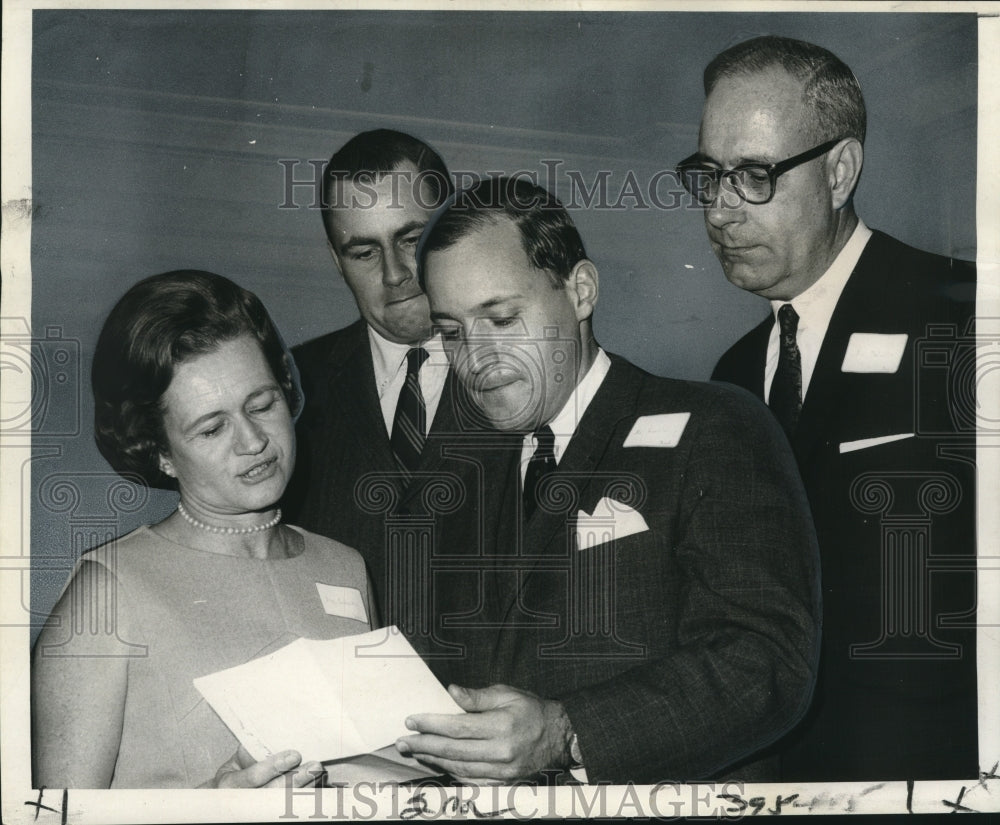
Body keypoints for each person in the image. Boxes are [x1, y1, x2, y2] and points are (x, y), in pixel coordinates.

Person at [392, 177, 822, 785]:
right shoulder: (451, 482)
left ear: (581, 291)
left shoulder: (715, 428)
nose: (478, 358)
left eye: (503, 318)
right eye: (454, 331)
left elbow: (765, 665)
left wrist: (567, 733)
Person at [678, 35, 978, 780]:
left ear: (840, 171)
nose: (719, 210)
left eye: (752, 176)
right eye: (707, 177)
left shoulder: (964, 317)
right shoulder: (735, 373)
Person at [32, 271, 372, 788]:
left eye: (262, 404)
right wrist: (215, 804)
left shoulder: (345, 567)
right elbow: (58, 819)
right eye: (212, 428)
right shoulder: (107, 595)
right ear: (160, 452)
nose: (254, 440)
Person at [287, 129, 478, 631]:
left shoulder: (530, 370)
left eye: (411, 239)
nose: (395, 274)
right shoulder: (285, 390)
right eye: (364, 253)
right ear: (336, 260)